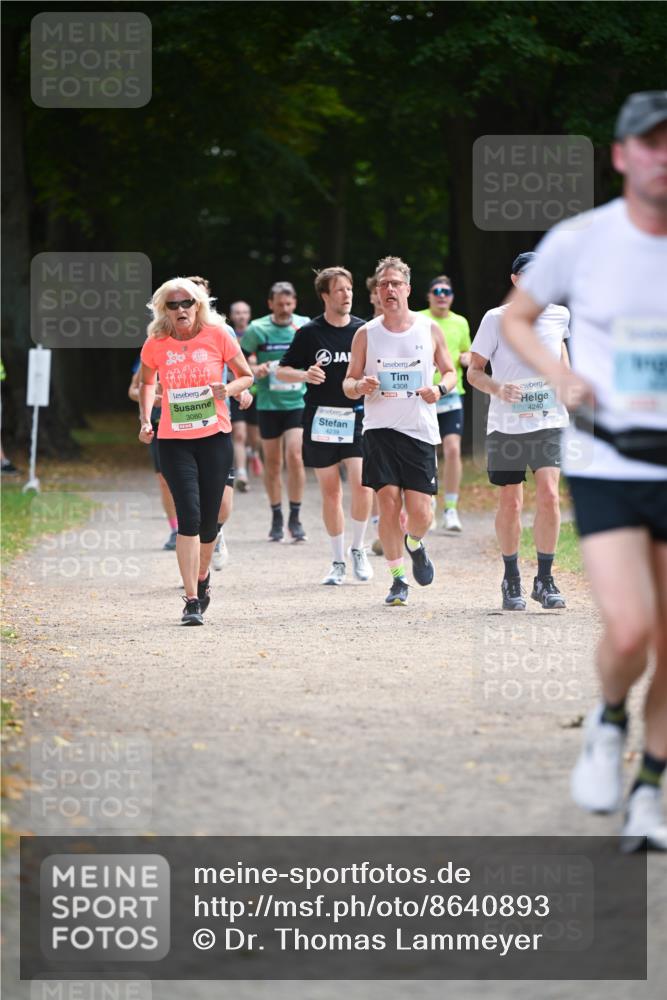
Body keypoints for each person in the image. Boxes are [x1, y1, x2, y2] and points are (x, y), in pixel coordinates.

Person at [502, 91, 667, 849]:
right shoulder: (581, 239)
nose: (661, 156)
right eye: (649, 142)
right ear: (621, 155)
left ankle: (649, 791)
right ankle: (607, 721)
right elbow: (514, 320)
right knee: (631, 631)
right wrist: (562, 380)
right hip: (608, 458)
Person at [139, 277, 253, 625]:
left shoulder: (219, 335)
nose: (180, 309)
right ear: (163, 309)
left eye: (186, 302)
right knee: (188, 516)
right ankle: (190, 599)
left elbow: (246, 376)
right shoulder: (156, 343)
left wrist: (228, 388)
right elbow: (146, 383)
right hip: (174, 441)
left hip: (215, 438)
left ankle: (203, 576)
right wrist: (146, 419)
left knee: (208, 522)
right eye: (172, 305)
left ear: (198, 304)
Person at [343, 256, 456, 606]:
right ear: (377, 292)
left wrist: (438, 390)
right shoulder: (366, 333)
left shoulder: (428, 329)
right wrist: (360, 385)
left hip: (419, 429)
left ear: (407, 288)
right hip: (379, 429)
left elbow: (451, 372)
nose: (389, 289)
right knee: (387, 501)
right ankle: (397, 579)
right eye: (383, 285)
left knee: (421, 512)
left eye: (395, 283)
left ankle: (415, 544)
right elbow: (348, 383)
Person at [467, 252, 570, 612]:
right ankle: (511, 578)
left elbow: (561, 358)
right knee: (511, 500)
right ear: (515, 280)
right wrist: (498, 389)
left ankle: (545, 578)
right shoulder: (495, 319)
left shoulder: (560, 314)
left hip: (549, 420)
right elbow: (474, 371)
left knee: (550, 495)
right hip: (507, 423)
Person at [277, 266, 373, 585]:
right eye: (340, 290)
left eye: (349, 289)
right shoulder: (309, 333)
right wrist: (304, 375)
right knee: (331, 491)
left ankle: (358, 548)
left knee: (361, 484)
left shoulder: (364, 331)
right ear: (325, 296)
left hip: (357, 415)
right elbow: (282, 371)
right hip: (321, 418)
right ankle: (337, 559)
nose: (347, 295)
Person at [242, 281, 310, 542]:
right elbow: (242, 358)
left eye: (289, 304)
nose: (284, 309)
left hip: (297, 402)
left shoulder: (303, 325)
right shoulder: (257, 328)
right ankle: (277, 515)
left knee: (294, 455)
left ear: (295, 303)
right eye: (279, 304)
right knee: (272, 463)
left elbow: (315, 354)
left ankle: (295, 515)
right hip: (268, 405)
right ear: (270, 304)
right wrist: (255, 367)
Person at [420, 276, 471, 532]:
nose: (442, 295)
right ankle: (428, 503)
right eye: (437, 291)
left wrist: (467, 357)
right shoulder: (419, 319)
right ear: (429, 295)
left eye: (447, 292)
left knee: (452, 450)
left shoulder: (460, 321)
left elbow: (468, 351)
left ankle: (451, 509)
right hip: (423, 395)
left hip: (451, 394)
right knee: (427, 451)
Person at [128, 362, 178, 549]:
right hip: (158, 425)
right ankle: (175, 529)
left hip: (187, 421)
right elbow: (133, 390)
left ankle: (201, 527)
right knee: (164, 480)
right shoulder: (149, 357)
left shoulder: (188, 352)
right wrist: (150, 397)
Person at [228, 300, 263, 491]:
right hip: (235, 390)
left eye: (244, 312)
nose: (241, 316)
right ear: (232, 316)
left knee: (254, 437)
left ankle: (253, 452)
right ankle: (242, 473)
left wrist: (257, 366)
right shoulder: (227, 336)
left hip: (256, 392)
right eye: (237, 313)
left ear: (249, 315)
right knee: (239, 434)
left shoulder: (256, 335)